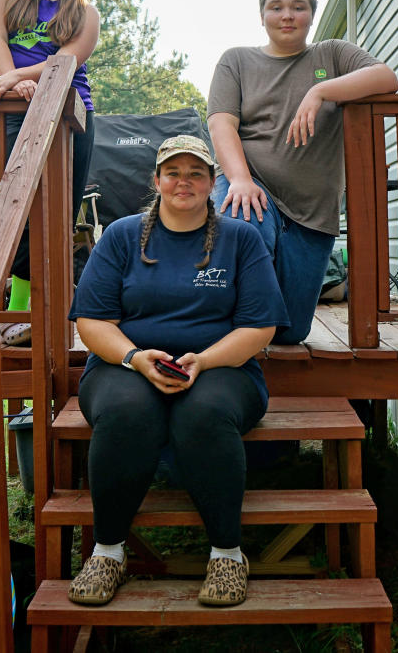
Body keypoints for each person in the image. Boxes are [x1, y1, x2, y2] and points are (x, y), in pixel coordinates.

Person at [66, 135, 287, 607]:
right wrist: (134, 358)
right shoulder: (122, 236)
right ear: (157, 180)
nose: (183, 182)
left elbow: (260, 326)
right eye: (173, 172)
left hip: (222, 364)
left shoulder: (241, 239)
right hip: (124, 362)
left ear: (212, 182)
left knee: (202, 414)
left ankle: (227, 554)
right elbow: (92, 321)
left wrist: (204, 360)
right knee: (126, 412)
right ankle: (108, 552)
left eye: (196, 173)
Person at [208, 0, 398, 344]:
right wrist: (241, 180)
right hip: (252, 181)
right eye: (276, 7)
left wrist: (320, 90)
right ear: (261, 15)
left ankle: (251, 328)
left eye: (298, 7)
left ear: (311, 15)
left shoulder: (332, 54)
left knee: (290, 330)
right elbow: (221, 125)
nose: (287, 15)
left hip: (312, 209)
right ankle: (224, 338)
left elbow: (386, 77)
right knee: (243, 231)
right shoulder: (236, 61)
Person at [0, 0, 101, 346]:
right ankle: (20, 310)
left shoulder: (85, 12)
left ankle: (47, 312)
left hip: (72, 113)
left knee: (59, 213)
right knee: (20, 203)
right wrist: (14, 82)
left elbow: (65, 61)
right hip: (16, 110)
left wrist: (13, 79)